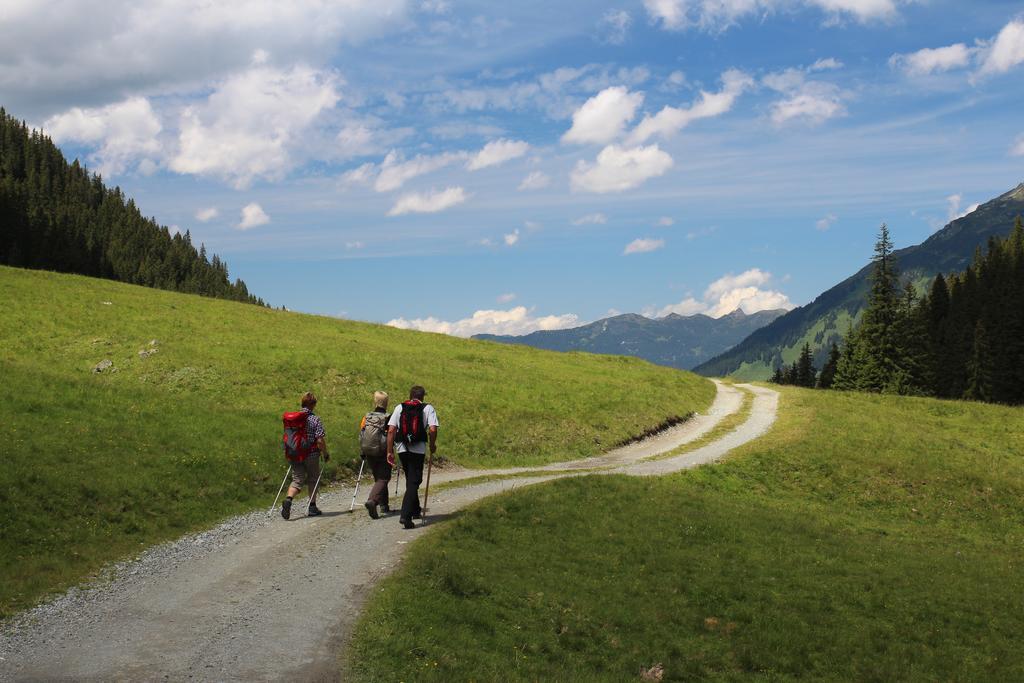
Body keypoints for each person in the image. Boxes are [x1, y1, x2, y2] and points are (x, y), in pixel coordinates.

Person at [386, 385, 439, 529]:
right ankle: (406, 516)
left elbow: (391, 430)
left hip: (402, 448)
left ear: (410, 396)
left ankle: (415, 510)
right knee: (415, 481)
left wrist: (389, 451)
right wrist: (432, 445)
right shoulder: (428, 408)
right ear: (422, 397)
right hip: (418, 449)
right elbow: (433, 429)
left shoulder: (399, 407)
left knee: (411, 479)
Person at [282, 392, 330, 519]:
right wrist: (325, 453)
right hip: (311, 454)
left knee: (297, 479)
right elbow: (319, 440)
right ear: (313, 404)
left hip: (294, 453)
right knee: (313, 478)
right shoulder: (315, 419)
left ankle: (288, 499)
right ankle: (312, 507)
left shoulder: (292, 419)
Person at [360, 391, 392, 519]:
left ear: (375, 401)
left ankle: (384, 505)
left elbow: (361, 434)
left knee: (378, 478)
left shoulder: (366, 417)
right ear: (386, 402)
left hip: (368, 450)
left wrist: (362, 451)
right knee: (384, 478)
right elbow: (391, 434)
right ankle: (372, 501)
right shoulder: (388, 417)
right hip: (383, 451)